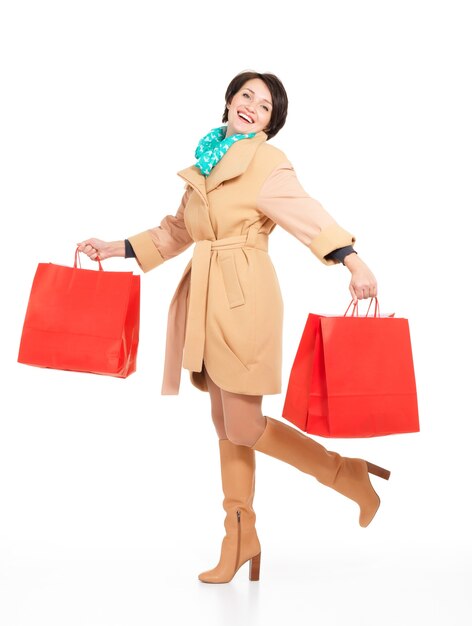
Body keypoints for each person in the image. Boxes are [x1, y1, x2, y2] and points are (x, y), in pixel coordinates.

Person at [77, 70, 389, 585]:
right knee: (226, 426)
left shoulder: (267, 162)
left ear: (270, 123)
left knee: (243, 424)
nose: (251, 106)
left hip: (245, 298)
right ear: (228, 99)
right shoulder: (206, 157)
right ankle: (239, 536)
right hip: (206, 296)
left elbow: (304, 212)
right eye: (246, 95)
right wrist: (116, 248)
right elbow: (178, 230)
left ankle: (343, 473)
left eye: (264, 106)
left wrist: (354, 262)